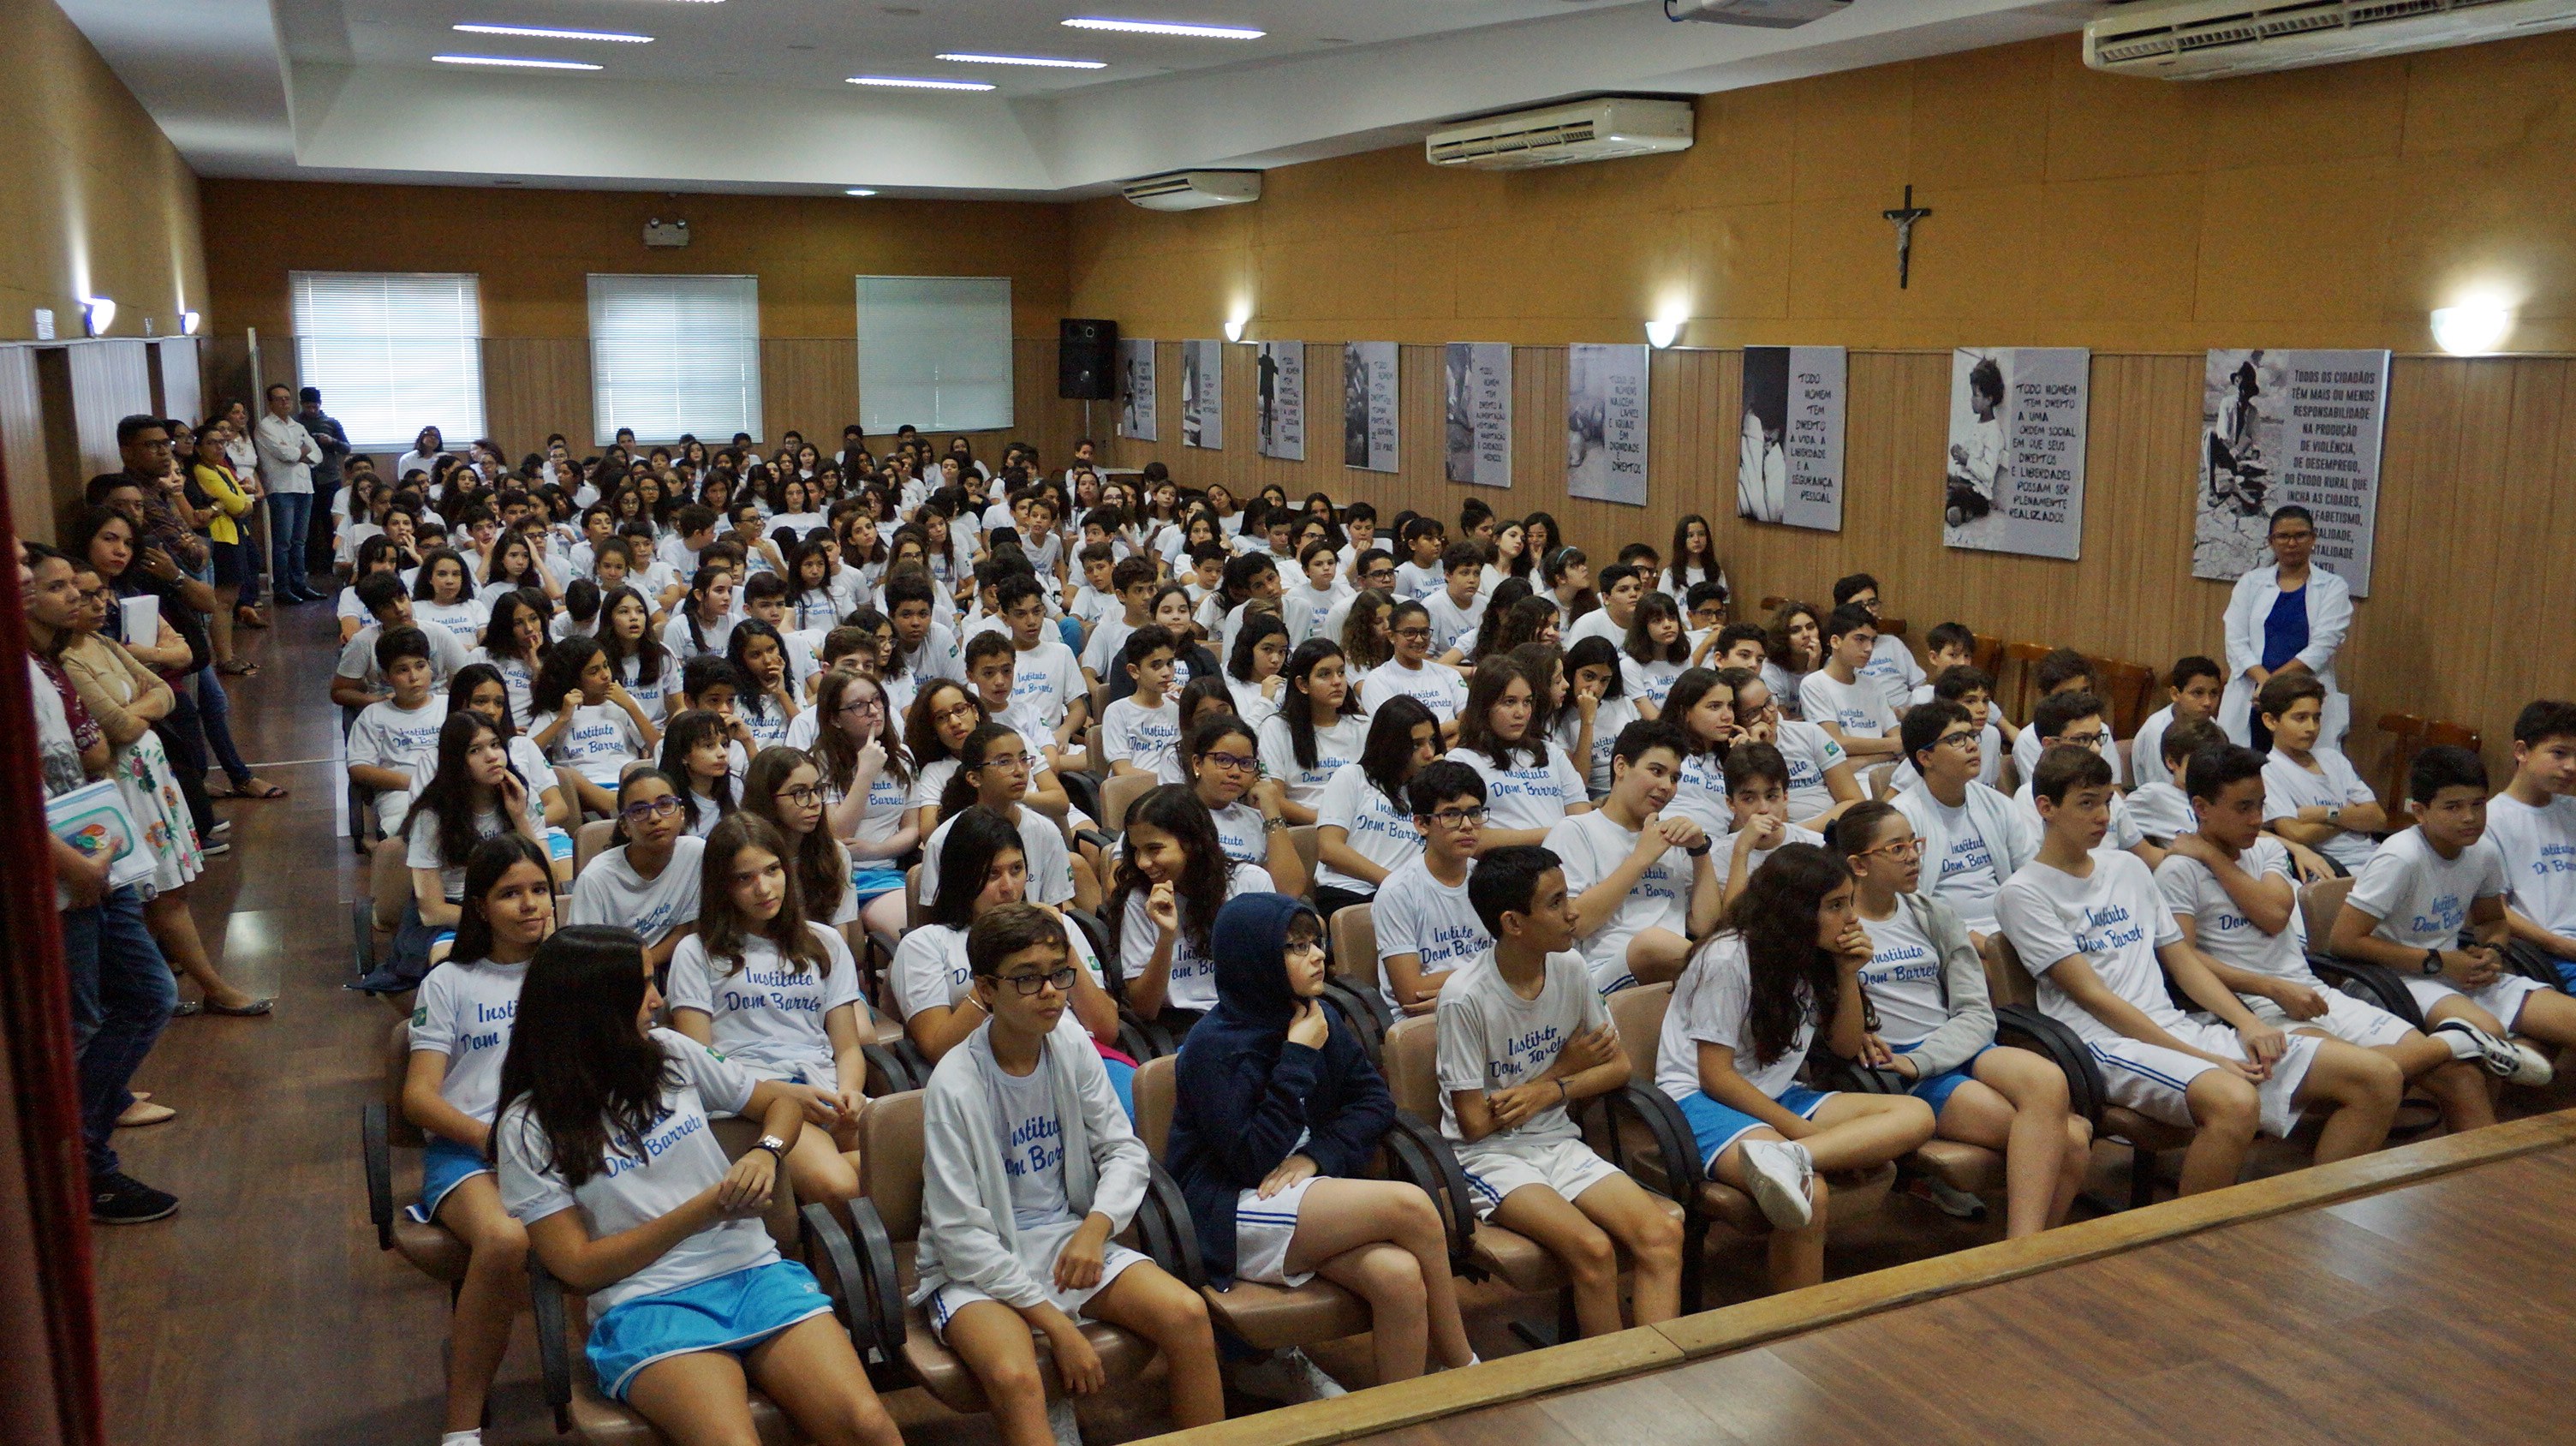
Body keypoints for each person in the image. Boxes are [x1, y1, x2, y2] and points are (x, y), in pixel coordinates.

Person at [494, 926, 900, 1446]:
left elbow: (780, 1103)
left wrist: (765, 1150)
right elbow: (575, 1265)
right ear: (594, 1006)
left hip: (751, 1272)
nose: (658, 1000)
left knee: (868, 1426)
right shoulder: (527, 1128)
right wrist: (704, 1209)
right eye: (642, 987)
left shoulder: (669, 1052)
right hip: (646, 1305)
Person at [2000, 747, 2400, 1198]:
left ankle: (2318, 1212)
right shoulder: (2022, 893)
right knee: (2235, 1100)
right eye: (2087, 803)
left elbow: (2183, 961)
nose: (2103, 816)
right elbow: (2095, 998)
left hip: (2175, 1026)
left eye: (2108, 802)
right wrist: (2209, 1060)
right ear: (2045, 808)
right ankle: (2189, 1247)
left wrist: (2248, 1023)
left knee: (2376, 1078)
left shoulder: (2129, 868)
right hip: (2103, 1043)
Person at [913, 905, 1223, 1446]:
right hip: (974, 1266)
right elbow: (960, 1237)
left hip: (1063, 1238)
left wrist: (1094, 1228)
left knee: (1188, 1315)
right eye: (1027, 978)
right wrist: (1057, 1328)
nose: (1051, 991)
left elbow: (1124, 1152)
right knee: (1016, 1375)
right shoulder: (954, 1085)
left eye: (1060, 973)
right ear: (986, 990)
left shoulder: (1072, 1044)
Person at [1169, 893, 1477, 1387]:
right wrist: (1296, 1057)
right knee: (1413, 1206)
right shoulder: (1212, 1048)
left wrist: (1317, 1155)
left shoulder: (1318, 1016)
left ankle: (1400, 1423)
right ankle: (1465, 1368)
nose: (1317, 955)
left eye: (1315, 942)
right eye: (1295, 947)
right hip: (1234, 1205)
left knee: (1398, 1278)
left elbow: (1375, 1103)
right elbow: (1251, 1162)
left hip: (1307, 1194)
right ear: (1256, 960)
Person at [2162, 744, 2540, 1138]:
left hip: (2312, 990)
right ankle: (2460, 1041)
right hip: (2247, 1008)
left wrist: (2211, 855)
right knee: (2377, 1076)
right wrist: (2271, 987)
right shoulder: (2178, 873)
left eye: (2261, 804)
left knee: (2460, 1078)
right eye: (2243, 808)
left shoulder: (2268, 850)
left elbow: (2274, 916)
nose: (2258, 819)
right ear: (2202, 808)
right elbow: (2183, 960)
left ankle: (2477, 1182)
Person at [1657, 844, 1937, 1291]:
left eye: (1849, 902)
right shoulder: (1728, 957)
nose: (1851, 918)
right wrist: (1804, 1131)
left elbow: (1846, 1048)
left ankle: (1790, 1157)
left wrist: (1847, 974)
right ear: (1795, 909)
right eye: (1835, 906)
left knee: (1916, 1115)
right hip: (1698, 1097)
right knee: (1810, 1191)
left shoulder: (1814, 952)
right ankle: (1794, 1327)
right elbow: (1716, 1075)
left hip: (1775, 1089)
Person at [1446, 845, 1685, 1333]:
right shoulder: (1464, 997)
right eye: (1555, 902)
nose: (1573, 911)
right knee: (1593, 1249)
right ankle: (1611, 1390)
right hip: (1492, 1155)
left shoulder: (1571, 967)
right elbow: (1473, 1123)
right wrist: (1560, 1075)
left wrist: (1551, 1089)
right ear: (1513, 923)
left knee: (1661, 1236)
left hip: (1556, 1139)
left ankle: (1657, 1378)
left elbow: (1617, 1066)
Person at [1833, 804, 2091, 1238]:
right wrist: (1910, 1060)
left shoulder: (1934, 914)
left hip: (1953, 1047)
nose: (1913, 856)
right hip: (1903, 1068)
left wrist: (1932, 1055)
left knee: (2048, 1079)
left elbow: (1975, 1009)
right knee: (2072, 1140)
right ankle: (2027, 1251)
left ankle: (2022, 1254)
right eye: (1896, 848)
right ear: (1858, 864)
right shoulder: (1839, 927)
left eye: (1915, 844)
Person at [29, 541, 182, 1222]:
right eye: (56, 584)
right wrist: (73, 864)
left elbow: (97, 748)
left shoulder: (53, 662)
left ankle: (85, 1151)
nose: (75, 596)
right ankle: (83, 1171)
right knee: (84, 1020)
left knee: (151, 995)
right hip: (65, 873)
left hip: (99, 852)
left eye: (74, 584)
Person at [402, 834, 552, 1441]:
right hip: (471, 1153)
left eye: (539, 889)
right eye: (510, 894)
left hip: (560, 1149)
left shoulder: (572, 971)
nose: (530, 905)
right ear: (481, 907)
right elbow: (417, 1098)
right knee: (504, 1240)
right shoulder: (450, 982)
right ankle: (462, 1428)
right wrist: (491, 1140)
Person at [667, 814, 873, 1210]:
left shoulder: (825, 942)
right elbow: (701, 1063)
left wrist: (849, 1092)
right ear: (721, 887)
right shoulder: (696, 952)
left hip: (826, 1092)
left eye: (772, 870)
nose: (763, 888)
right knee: (841, 1186)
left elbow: (847, 1048)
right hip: (754, 1103)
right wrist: (783, 1094)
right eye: (744, 878)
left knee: (919, 1161)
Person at [2328, 744, 2576, 1061]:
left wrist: (2494, 952)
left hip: (2455, 970)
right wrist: (2439, 961)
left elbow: (2491, 921)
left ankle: (2516, 1063)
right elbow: (2343, 941)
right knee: (2489, 1033)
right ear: (2420, 811)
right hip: (2392, 978)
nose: (2470, 818)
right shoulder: (2401, 857)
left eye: (2478, 804)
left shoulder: (2483, 851)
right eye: (2453, 807)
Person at [886, 810, 1132, 1111]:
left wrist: (1058, 946)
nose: (1009, 887)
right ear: (962, 877)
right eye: (992, 874)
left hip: (1077, 1058)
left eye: (1016, 870)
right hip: (992, 1077)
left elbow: (1107, 1029)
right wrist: (1001, 963)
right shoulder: (924, 945)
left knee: (1141, 1115)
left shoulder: (1056, 926)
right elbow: (939, 1049)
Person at [378, 711, 552, 994]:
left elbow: (549, 877)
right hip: (451, 912)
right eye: (476, 750)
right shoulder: (432, 817)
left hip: (509, 901)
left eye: (496, 745)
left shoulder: (517, 796)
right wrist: (494, 919)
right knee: (453, 971)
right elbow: (432, 910)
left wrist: (519, 817)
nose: (493, 756)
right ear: (457, 760)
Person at [1547, 720, 1721, 995]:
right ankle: (1731, 975)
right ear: (1621, 766)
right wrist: (1640, 858)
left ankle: (1727, 976)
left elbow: (1704, 925)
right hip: (1602, 976)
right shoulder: (1576, 830)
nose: (1666, 786)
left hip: (1676, 976)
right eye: (1656, 771)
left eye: (1674, 778)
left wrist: (1700, 851)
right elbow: (1573, 925)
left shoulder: (1672, 837)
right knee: (1650, 943)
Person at [1111, 785, 1276, 1032]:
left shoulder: (1251, 882)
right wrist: (1166, 936)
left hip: (1248, 1016)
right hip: (1181, 1026)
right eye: (1136, 850)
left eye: (1154, 849)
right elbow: (1145, 1009)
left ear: (1191, 842)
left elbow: (1273, 973)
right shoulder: (1139, 899)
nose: (1143, 862)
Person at [1891, 700, 2033, 966]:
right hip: (1944, 934)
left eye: (1972, 735)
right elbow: (1906, 903)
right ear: (1925, 757)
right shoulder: (1901, 818)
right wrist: (1972, 938)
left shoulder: (1998, 803)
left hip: (2010, 925)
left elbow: (2029, 874)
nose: (1972, 745)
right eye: (1956, 739)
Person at [2220, 505, 2352, 752]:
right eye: (2283, 536)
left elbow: (2323, 646)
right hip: (2254, 697)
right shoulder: (2251, 582)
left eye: (2300, 535)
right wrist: (2263, 682)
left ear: (2313, 539)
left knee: (2302, 773)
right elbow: (2236, 640)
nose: (2292, 543)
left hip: (2302, 696)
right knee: (2245, 771)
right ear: (2271, 541)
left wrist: (2273, 685)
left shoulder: (2333, 587)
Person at [916, 722, 1082, 911]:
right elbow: (932, 926)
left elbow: (1053, 912)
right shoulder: (943, 840)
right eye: (1004, 762)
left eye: (1023, 759)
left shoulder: (1046, 831)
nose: (1020, 771)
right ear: (974, 778)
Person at [807, 671, 916, 939]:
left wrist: (875, 850)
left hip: (886, 875)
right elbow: (838, 834)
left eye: (877, 700)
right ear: (834, 718)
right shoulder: (819, 761)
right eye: (858, 705)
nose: (873, 711)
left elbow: (912, 830)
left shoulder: (902, 757)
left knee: (912, 936)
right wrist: (865, 772)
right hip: (837, 877)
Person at [565, 768, 705, 976]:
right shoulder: (596, 877)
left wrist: (645, 967)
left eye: (665, 805)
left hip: (675, 964)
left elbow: (686, 931)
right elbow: (585, 956)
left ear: (682, 813)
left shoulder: (695, 853)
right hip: (611, 973)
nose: (655, 817)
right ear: (624, 826)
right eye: (639, 810)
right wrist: (638, 971)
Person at [1312, 696, 1438, 920]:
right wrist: (1392, 882)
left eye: (1432, 741)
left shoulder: (1427, 794)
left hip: (1401, 897)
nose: (1429, 753)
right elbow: (1329, 848)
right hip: (1346, 893)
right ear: (1391, 744)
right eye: (1417, 744)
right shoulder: (1352, 777)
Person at [2009, 692, 2161, 869]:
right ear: (2050, 745)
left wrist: (2190, 855)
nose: (2096, 749)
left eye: (2098, 738)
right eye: (2083, 739)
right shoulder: (2030, 796)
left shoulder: (2106, 793)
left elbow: (2146, 854)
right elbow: (2035, 869)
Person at [1452, 654, 1590, 848]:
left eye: (1527, 702)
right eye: (1509, 702)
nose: (1521, 713)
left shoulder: (1551, 752)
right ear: (1484, 705)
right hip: (1503, 868)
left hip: (1564, 865)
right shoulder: (1462, 761)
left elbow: (1584, 821)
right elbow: (1469, 837)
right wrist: (1554, 834)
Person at [2487, 700, 2576, 985]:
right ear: (2522, 751)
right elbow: (2494, 910)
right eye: (2559, 753)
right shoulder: (2491, 820)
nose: (2571, 767)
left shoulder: (2570, 809)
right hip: (2547, 955)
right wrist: (2561, 946)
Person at [2257, 673, 2382, 874]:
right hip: (2335, 866)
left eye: (2316, 718)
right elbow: (2295, 833)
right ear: (2271, 721)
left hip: (2375, 855)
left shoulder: (2333, 759)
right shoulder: (2268, 770)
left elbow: (2377, 818)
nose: (2311, 728)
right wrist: (2350, 819)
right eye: (2300, 718)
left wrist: (2325, 814)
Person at [528, 636, 659, 819]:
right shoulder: (557, 710)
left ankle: (622, 806)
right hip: (581, 790)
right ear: (574, 679)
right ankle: (618, 807)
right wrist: (563, 719)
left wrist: (630, 706)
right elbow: (526, 755)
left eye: (606, 665)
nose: (605, 675)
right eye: (594, 671)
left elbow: (659, 749)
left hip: (626, 782)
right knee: (568, 775)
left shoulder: (624, 702)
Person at [1182, 713, 1304, 894]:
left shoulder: (1257, 819)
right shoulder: (1172, 812)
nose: (1235, 772)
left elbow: (1290, 890)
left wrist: (1272, 810)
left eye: (1245, 763)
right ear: (1197, 763)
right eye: (1223, 760)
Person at [348, 627, 451, 834]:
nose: (414, 677)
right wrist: (417, 782)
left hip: (451, 788)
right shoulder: (373, 715)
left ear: (430, 667)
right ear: (386, 677)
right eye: (402, 670)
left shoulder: (451, 705)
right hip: (400, 794)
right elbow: (359, 769)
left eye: (420, 666)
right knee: (415, 830)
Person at [1257, 638, 1370, 826]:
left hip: (1359, 825)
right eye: (1325, 674)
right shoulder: (1277, 727)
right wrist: (1330, 824)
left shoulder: (1364, 727)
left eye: (1341, 673)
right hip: (1304, 827)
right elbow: (1273, 798)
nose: (1337, 682)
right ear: (1302, 685)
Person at [1712, 744, 1828, 907]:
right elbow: (1730, 925)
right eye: (1749, 799)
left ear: (1785, 797)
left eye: (1771, 796)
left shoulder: (1817, 846)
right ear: (1731, 803)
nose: (1763, 809)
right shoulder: (1716, 857)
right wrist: (1741, 851)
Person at [1797, 603, 1901, 764]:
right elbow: (1835, 743)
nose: (1869, 648)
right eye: (1860, 639)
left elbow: (1899, 739)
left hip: (1886, 769)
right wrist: (1891, 748)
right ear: (1835, 641)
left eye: (1873, 641)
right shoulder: (1814, 684)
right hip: (1851, 777)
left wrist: (1871, 757)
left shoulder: (1873, 685)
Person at [253, 385, 325, 602]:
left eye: (287, 398)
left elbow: (318, 454)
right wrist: (301, 453)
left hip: (304, 487)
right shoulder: (266, 426)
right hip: (282, 488)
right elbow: (285, 454)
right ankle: (282, 589)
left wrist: (300, 455)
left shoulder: (297, 426)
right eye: (279, 399)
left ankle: (299, 585)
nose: (285, 402)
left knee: (299, 541)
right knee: (283, 542)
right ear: (270, 403)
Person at [1359, 599, 1467, 731]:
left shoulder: (1449, 674)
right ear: (1392, 636)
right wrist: (1451, 727)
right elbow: (1395, 736)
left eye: (1424, 632)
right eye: (1410, 633)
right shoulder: (1378, 680)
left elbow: (1468, 727)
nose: (1419, 639)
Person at [1556, 636, 1642, 800]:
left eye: (1604, 680)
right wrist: (1587, 722)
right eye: (1588, 676)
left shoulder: (1623, 704)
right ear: (1572, 673)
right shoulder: (1560, 718)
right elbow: (1578, 784)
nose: (1595, 688)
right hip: (1595, 797)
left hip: (1634, 788)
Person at [1100, 625, 1187, 786]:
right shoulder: (1117, 711)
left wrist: (1189, 708)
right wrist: (1169, 784)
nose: (1166, 672)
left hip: (1176, 793)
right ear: (1134, 671)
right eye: (1156, 665)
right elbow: (1123, 770)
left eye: (1170, 663)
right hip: (1136, 792)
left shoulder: (1179, 707)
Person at [1828, 575, 1924, 716]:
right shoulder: (1840, 654)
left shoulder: (1893, 643)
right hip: (1865, 718)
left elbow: (1919, 686)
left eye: (1872, 603)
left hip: (1909, 717)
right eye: (1859, 606)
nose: (1868, 611)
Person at [2129, 656, 2224, 792]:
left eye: (2214, 693)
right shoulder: (2157, 732)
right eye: (2198, 693)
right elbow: (2163, 791)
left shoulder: (2209, 722)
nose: (2207, 702)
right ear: (2175, 694)